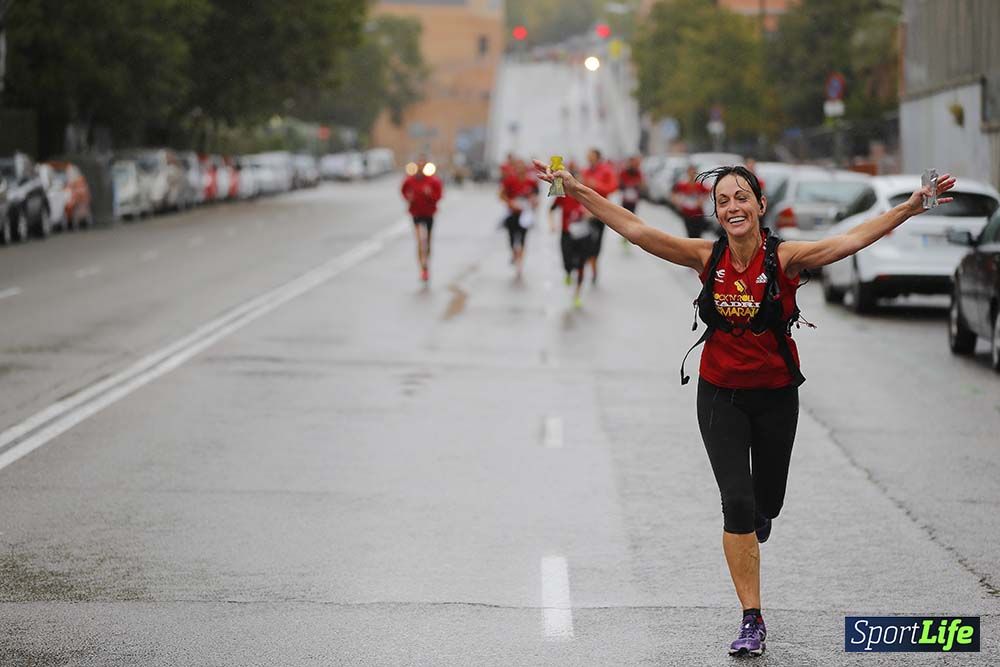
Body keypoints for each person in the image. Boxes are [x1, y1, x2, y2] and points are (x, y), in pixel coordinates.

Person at [532, 157, 955, 657]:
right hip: (719, 394)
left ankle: (759, 515)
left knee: (765, 504)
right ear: (716, 213)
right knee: (736, 503)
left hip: (776, 395)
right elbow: (637, 229)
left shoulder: (785, 259)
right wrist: (576, 188)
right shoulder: (705, 257)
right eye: (723, 201)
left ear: (760, 205)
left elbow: (849, 242)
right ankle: (752, 616)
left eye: (741, 198)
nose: (733, 207)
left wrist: (908, 208)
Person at [401, 156, 443, 282]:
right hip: (416, 213)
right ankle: (422, 267)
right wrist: (408, 197)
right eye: (419, 165)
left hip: (429, 213)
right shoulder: (410, 180)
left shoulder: (433, 180)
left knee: (428, 241)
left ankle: (427, 262)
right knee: (420, 241)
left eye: (422, 165)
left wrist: (430, 194)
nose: (420, 168)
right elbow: (403, 190)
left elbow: (439, 195)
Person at [549, 177, 589, 308]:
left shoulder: (587, 196)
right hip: (567, 234)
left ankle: (577, 295)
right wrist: (552, 224)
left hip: (582, 235)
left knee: (581, 265)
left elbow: (598, 212)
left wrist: (588, 214)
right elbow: (551, 209)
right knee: (567, 261)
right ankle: (568, 272)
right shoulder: (563, 196)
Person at [580, 148, 618, 282]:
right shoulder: (584, 171)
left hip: (601, 212)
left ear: (597, 157)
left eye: (591, 156)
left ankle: (594, 268)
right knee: (585, 241)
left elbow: (613, 187)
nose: (588, 158)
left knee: (597, 243)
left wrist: (597, 185)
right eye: (587, 156)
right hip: (586, 212)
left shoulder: (606, 170)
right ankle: (585, 266)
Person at [499, 159, 539, 278]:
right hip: (512, 214)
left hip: (525, 215)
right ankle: (514, 253)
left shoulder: (531, 182)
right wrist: (510, 203)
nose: (520, 170)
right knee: (512, 238)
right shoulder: (509, 181)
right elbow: (501, 195)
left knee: (522, 239)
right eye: (518, 167)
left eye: (522, 167)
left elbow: (536, 196)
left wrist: (533, 202)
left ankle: (519, 264)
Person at [672, 164, 711, 238]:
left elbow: (709, 191)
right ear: (687, 173)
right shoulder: (683, 185)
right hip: (687, 214)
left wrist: (702, 201)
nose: (691, 174)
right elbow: (674, 191)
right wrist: (676, 201)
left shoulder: (700, 185)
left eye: (693, 172)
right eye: (690, 172)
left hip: (698, 214)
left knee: (698, 234)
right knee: (690, 234)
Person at [618, 156, 644, 248]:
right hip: (625, 199)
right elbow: (620, 184)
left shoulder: (638, 172)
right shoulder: (624, 172)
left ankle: (629, 236)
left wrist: (636, 185)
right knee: (624, 217)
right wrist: (626, 185)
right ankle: (624, 235)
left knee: (632, 217)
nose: (633, 164)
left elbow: (642, 184)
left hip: (633, 200)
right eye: (632, 162)